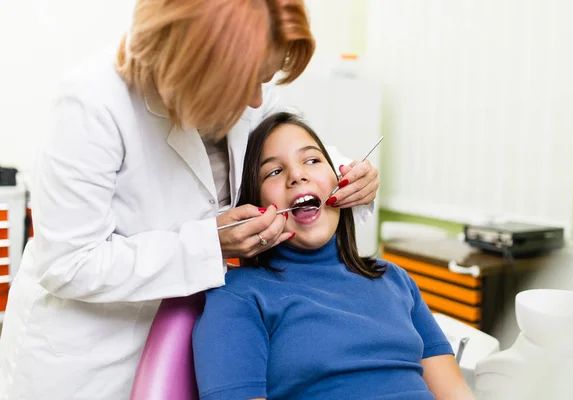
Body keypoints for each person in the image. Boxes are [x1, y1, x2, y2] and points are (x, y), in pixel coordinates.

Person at [0, 2, 380, 399]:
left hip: (190, 337)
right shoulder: (92, 102)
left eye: (264, 80)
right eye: (247, 82)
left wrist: (346, 172)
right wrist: (208, 244)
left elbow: (283, 138)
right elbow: (67, 262)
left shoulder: (248, 91)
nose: (255, 100)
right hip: (91, 362)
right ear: (194, 65)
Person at [192, 112, 474, 400]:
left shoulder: (395, 279)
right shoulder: (238, 297)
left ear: (342, 182)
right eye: (273, 172)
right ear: (256, 205)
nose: (297, 175)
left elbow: (456, 394)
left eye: (312, 160)